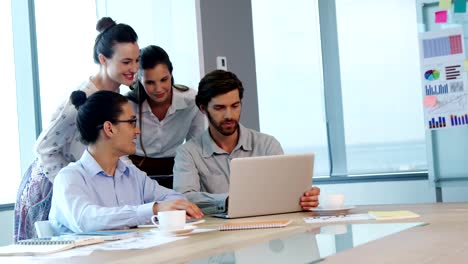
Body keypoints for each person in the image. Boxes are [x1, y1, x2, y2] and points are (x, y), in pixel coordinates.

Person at [14, 17, 140, 241]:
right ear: (103, 59)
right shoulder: (82, 98)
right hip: (49, 186)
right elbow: (44, 148)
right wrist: (71, 186)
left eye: (136, 61)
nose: (134, 69)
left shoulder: (115, 96)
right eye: (126, 62)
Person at [49, 91, 202, 233]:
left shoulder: (132, 174)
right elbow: (86, 220)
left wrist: (164, 209)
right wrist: (153, 210)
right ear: (109, 128)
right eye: (131, 122)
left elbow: (176, 199)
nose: (138, 130)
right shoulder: (69, 177)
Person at [173, 70, 320, 214]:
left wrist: (304, 198)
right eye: (219, 108)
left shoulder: (267, 145)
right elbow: (184, 197)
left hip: (265, 230)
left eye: (235, 106)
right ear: (203, 108)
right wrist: (228, 201)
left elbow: (284, 190)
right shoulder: (187, 153)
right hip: (216, 234)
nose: (229, 115)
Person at [126, 45, 205, 178]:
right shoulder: (127, 106)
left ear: (171, 74)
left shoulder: (191, 101)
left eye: (164, 79)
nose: (159, 89)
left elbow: (195, 145)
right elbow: (119, 152)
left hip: (176, 168)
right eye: (150, 82)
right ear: (139, 79)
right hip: (135, 169)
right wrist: (131, 177)